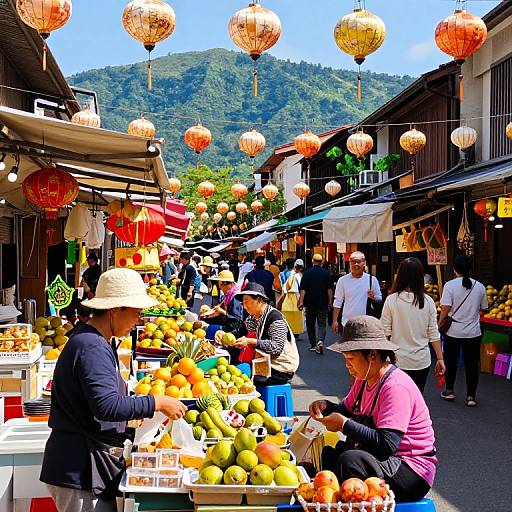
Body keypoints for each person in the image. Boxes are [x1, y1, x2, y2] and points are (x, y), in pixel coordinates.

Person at [40, 268, 187, 512]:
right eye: (136, 314)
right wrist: (156, 403)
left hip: (81, 464)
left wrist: (133, 415)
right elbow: (107, 405)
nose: (138, 321)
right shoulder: (92, 346)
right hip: (80, 468)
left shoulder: (94, 341)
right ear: (115, 309)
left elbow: (98, 401)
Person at [309, 316, 437, 503]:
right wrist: (325, 407)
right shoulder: (364, 379)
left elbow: (387, 443)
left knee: (350, 461)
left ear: (373, 355)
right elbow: (345, 409)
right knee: (330, 455)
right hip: (384, 456)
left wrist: (344, 425)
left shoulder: (395, 387)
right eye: (345, 359)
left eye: (351, 359)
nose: (347, 365)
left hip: (411, 469)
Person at [380, 258, 445, 393]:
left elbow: (384, 333)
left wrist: (382, 359)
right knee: (416, 398)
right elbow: (433, 334)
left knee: (397, 399)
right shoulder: (428, 301)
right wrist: (440, 358)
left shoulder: (391, 300)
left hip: (396, 360)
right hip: (421, 361)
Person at [218, 283, 299, 386]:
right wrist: (223, 335)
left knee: (239, 375)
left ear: (259, 300)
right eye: (243, 302)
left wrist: (250, 342)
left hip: (280, 368)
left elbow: (276, 347)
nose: (244, 306)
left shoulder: (275, 318)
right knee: (232, 366)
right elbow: (239, 333)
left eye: (247, 301)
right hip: (265, 362)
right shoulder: (253, 317)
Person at [438, 255, 488, 407]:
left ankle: (449, 390)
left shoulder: (449, 286)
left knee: (450, 362)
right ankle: (471, 396)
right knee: (472, 364)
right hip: (473, 332)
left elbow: (445, 308)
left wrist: (440, 323)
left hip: (453, 331)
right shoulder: (480, 286)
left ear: (454, 270)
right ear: (470, 269)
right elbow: (484, 308)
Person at [332, 251, 382, 334]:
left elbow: (379, 298)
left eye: (358, 262)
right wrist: (335, 321)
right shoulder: (342, 280)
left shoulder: (372, 280)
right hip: (347, 323)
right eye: (353, 262)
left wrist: (373, 297)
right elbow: (338, 301)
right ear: (349, 263)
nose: (356, 264)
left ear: (364, 263)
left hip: (367, 324)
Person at [298, 253, 333, 354]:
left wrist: (301, 301)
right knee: (322, 323)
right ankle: (320, 341)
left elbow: (303, 289)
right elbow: (329, 289)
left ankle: (313, 344)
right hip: (323, 303)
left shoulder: (307, 273)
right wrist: (330, 301)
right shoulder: (326, 273)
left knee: (310, 324)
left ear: (313, 261)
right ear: (321, 262)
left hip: (310, 303)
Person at [202, 270, 244, 338]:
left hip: (233, 330)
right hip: (227, 323)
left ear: (222, 283)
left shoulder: (235, 297)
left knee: (211, 330)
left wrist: (221, 311)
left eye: (218, 283)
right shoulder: (228, 295)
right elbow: (220, 307)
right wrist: (207, 315)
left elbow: (237, 319)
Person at [281, 259, 304, 336]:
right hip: (297, 295)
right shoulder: (299, 276)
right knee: (297, 314)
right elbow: (302, 288)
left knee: (288, 314)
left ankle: (288, 330)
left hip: (288, 296)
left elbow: (285, 287)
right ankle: (296, 330)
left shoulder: (288, 274)